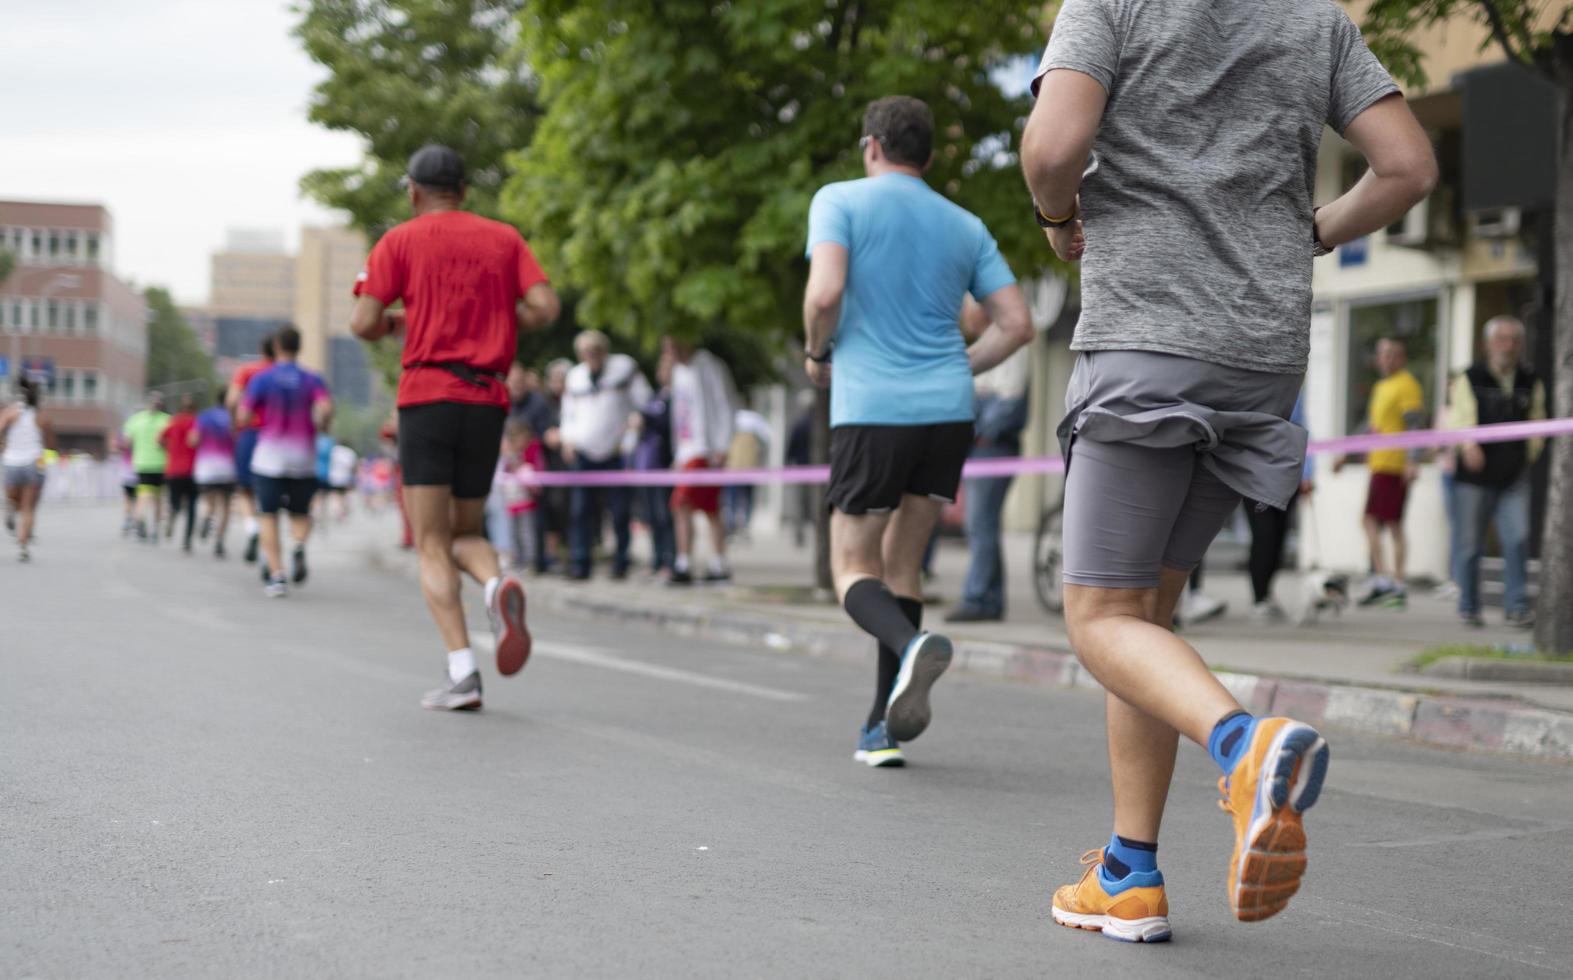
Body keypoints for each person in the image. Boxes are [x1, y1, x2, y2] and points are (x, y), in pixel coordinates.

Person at [1023, 0, 1434, 938]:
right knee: (1145, 619)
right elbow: (1408, 167)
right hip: (1260, 355)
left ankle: (1244, 746)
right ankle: (1128, 873)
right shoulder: (1316, 21)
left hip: (1147, 339)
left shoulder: (1111, 4)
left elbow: (1053, 148)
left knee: (1096, 618)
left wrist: (1056, 219)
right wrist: (1311, 232)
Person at [803, 95, 1032, 768]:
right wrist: (959, 365)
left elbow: (823, 295)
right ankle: (881, 730)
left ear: (870, 145)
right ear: (927, 157)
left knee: (851, 567)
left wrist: (818, 353)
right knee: (903, 566)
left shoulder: (839, 200)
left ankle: (908, 648)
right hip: (946, 412)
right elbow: (1017, 324)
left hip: (872, 407)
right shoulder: (963, 223)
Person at [349, 143, 561, 711]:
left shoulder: (400, 240)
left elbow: (363, 321)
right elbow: (546, 306)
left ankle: (463, 673)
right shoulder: (504, 238)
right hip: (487, 400)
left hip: (428, 396)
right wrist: (498, 318)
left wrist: (401, 323)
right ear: (465, 190)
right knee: (468, 530)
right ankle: (496, 587)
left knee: (431, 542)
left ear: (414, 192)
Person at [1449, 315, 1546, 629]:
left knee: (1517, 539)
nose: (1509, 346)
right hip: (1474, 477)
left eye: (1514, 340)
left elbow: (1537, 422)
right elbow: (1460, 417)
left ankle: (1516, 606)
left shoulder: (1530, 379)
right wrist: (1468, 445)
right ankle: (1469, 606)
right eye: (1502, 339)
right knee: (1469, 543)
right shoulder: (1470, 377)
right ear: (1488, 344)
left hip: (1512, 477)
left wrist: (1528, 455)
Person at [946, 299, 1031, 624]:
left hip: (994, 447)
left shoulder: (1009, 343)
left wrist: (976, 425)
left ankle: (979, 597)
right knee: (981, 524)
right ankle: (988, 597)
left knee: (980, 523)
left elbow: (1007, 403)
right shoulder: (986, 343)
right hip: (984, 446)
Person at [238, 326, 333, 598]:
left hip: (269, 457)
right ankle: (299, 545)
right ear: (299, 347)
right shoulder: (313, 379)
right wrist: (322, 425)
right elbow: (326, 408)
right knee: (301, 513)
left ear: (277, 346)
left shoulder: (262, 379)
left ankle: (277, 576)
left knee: (268, 515)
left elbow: (244, 415)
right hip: (303, 457)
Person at [1337, 338, 1426, 609]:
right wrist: (1347, 451)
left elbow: (1415, 425)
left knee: (1386, 522)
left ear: (1402, 358)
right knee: (1376, 521)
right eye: (1383, 355)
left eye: (1393, 355)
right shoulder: (1381, 386)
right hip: (1378, 463)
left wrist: (1413, 460)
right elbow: (1371, 425)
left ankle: (1393, 581)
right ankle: (1384, 577)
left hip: (1394, 464)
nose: (1387, 360)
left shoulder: (1407, 385)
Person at [559, 330, 651, 580]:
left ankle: (621, 562)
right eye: (587, 352)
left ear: (604, 351)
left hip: (615, 452)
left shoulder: (623, 370)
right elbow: (568, 413)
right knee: (580, 511)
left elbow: (642, 403)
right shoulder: (575, 377)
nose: (592, 356)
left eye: (596, 351)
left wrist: (634, 430)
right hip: (584, 452)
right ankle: (581, 562)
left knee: (619, 510)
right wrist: (568, 439)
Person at [665, 337, 739, 585]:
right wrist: (678, 452)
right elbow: (680, 414)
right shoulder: (678, 372)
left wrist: (722, 443)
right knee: (707, 508)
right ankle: (711, 561)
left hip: (705, 448)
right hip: (687, 450)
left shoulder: (707, 365)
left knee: (683, 503)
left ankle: (688, 561)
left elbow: (723, 403)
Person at [1245, 396, 1315, 621]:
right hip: (1256, 478)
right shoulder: (1254, 390)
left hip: (1287, 477)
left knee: (1279, 540)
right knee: (1264, 537)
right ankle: (1259, 597)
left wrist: (1307, 474)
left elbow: (1303, 432)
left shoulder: (1295, 395)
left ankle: (1267, 594)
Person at [228, 334, 277, 564]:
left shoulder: (247, 371)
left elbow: (232, 400)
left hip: (250, 434)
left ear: (261, 348)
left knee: (245, 490)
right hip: (277, 438)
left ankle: (251, 528)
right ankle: (271, 556)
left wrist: (235, 423)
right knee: (271, 498)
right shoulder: (284, 373)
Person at [631, 351, 677, 576]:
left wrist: (646, 419)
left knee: (665, 515)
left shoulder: (675, 398)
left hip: (664, 464)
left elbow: (668, 426)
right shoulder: (657, 396)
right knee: (652, 517)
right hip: (649, 465)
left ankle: (670, 559)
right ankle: (658, 560)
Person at [1, 377, 56, 562]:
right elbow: (50, 445)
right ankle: (23, 544)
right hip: (34, 462)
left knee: (14, 500)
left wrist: (3, 445)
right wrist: (49, 458)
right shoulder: (42, 417)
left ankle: (10, 507)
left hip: (11, 461)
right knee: (28, 507)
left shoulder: (10, 412)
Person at [487, 417, 542, 570]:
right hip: (508, 502)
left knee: (526, 532)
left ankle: (530, 561)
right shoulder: (505, 455)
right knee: (511, 533)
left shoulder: (531, 454)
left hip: (525, 501)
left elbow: (534, 478)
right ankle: (515, 559)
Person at [192, 393, 238, 558]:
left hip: (207, 467)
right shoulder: (234, 417)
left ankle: (207, 518)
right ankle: (219, 539)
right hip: (228, 468)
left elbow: (193, 440)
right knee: (225, 506)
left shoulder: (204, 416)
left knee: (209, 501)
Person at [122, 391, 171, 543]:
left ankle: (140, 519)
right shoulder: (168, 420)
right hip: (161, 463)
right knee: (158, 498)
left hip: (142, 463)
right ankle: (155, 529)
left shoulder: (135, 420)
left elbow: (127, 443)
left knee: (143, 494)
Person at [724, 407, 773, 539]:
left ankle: (736, 525)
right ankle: (742, 525)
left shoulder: (736, 425)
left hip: (736, 468)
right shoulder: (755, 425)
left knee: (734, 499)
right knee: (745, 499)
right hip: (747, 468)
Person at [160, 394, 200, 553]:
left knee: (174, 502)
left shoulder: (173, 421)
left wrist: (170, 449)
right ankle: (187, 540)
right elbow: (195, 441)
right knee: (191, 506)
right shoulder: (196, 422)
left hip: (173, 469)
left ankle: (172, 514)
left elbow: (159, 438)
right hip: (192, 470)